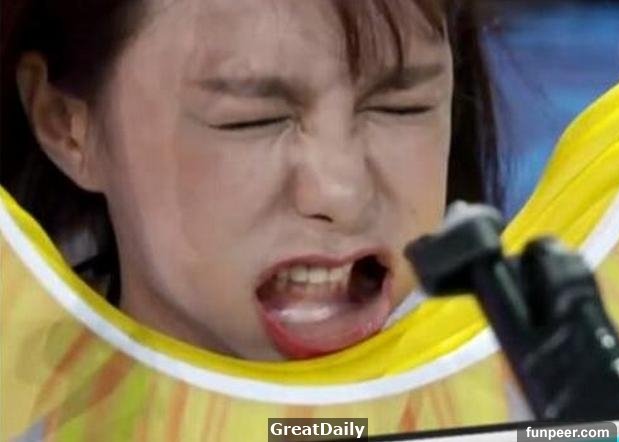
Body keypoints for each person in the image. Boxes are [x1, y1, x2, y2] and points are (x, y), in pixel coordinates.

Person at [1, 0, 497, 361]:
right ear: (66, 126)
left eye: (401, 107)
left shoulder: (520, 393)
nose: (342, 194)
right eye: (251, 120)